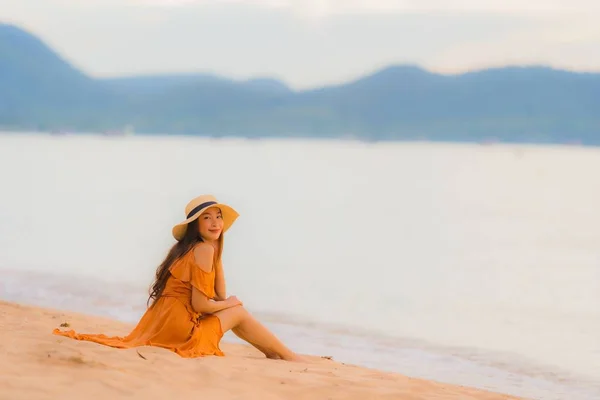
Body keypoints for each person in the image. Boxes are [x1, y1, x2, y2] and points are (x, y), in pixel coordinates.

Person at [53, 194, 304, 361]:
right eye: (207, 217)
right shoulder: (203, 249)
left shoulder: (197, 249)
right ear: (195, 225)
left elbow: (217, 294)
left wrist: (218, 258)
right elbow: (202, 305)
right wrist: (232, 304)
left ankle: (278, 354)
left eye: (218, 217)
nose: (215, 222)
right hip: (180, 330)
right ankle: (288, 356)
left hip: (164, 324)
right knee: (238, 312)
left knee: (235, 308)